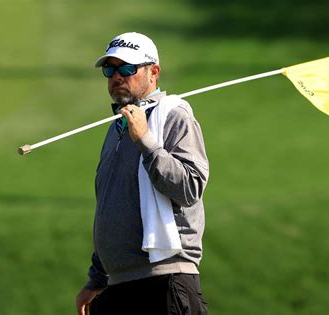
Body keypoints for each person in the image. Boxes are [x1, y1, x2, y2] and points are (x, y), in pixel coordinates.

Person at [75, 32, 209, 315]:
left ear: (154, 72)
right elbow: (112, 207)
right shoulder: (116, 128)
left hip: (165, 281)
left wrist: (146, 141)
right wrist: (97, 278)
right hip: (117, 286)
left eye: (127, 68)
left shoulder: (174, 116)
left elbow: (190, 188)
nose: (117, 76)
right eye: (109, 69)